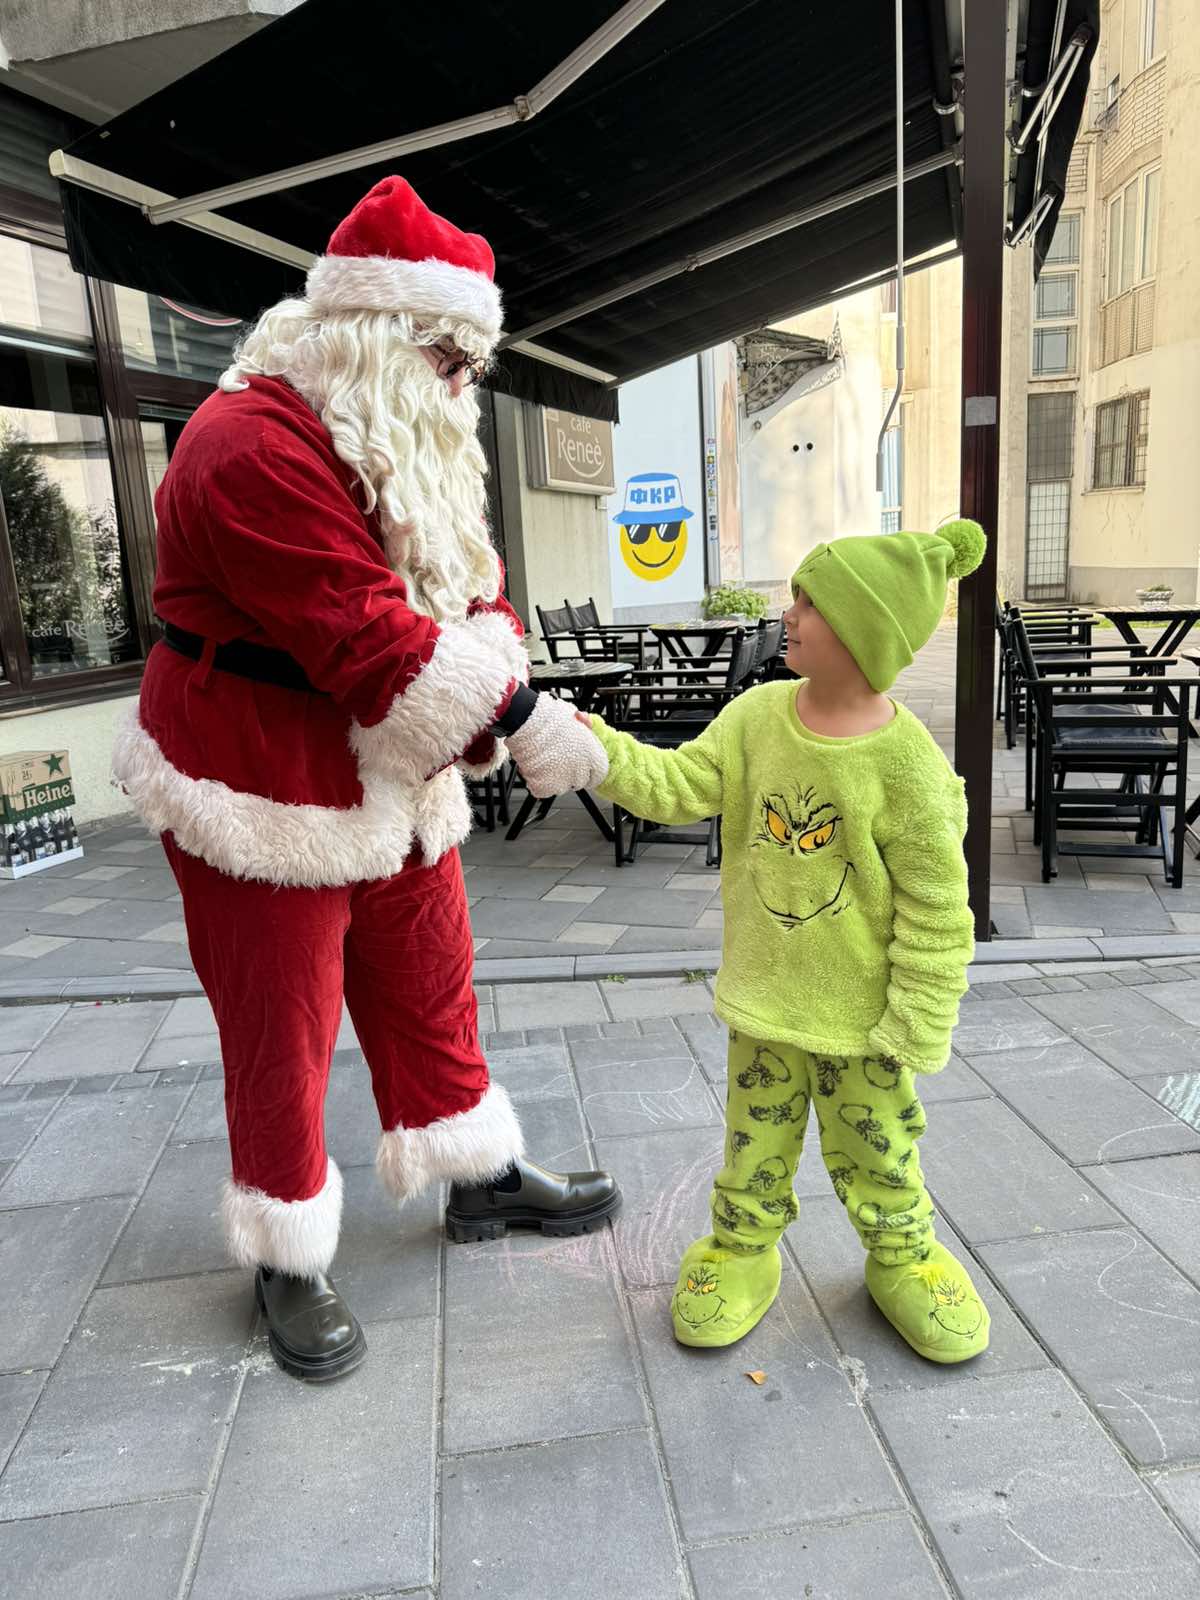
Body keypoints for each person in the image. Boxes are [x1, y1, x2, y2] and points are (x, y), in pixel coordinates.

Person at [112, 174, 616, 1382]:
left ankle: (475, 1173)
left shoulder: (396, 428)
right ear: (383, 336)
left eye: (473, 365)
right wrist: (526, 718)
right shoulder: (244, 447)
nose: (466, 387)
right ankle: (285, 1251)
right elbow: (376, 645)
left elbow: (468, 575)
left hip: (384, 775)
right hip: (255, 779)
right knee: (280, 1020)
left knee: (431, 971)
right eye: (452, 359)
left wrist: (494, 667)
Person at [578, 521, 990, 1364]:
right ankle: (740, 1253)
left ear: (864, 630)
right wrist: (595, 749)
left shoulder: (906, 764)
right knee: (752, 1151)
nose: (789, 611)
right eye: (795, 593)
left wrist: (915, 1022)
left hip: (863, 1025)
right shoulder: (757, 716)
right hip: (765, 1008)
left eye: (812, 600)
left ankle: (904, 1257)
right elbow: (676, 782)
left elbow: (942, 910)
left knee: (879, 1155)